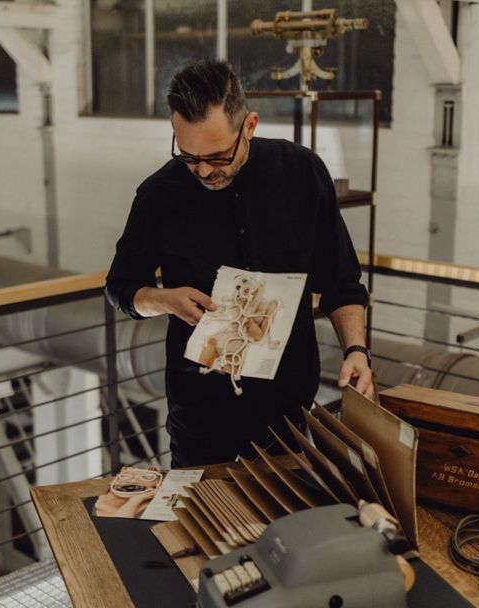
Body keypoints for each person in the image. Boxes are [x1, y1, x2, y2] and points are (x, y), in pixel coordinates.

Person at [105, 59, 373, 468]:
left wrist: (356, 349)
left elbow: (342, 281)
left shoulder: (302, 173)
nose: (203, 171)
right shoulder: (159, 194)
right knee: (201, 510)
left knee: (284, 508)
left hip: (288, 408)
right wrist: (164, 300)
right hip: (200, 411)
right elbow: (120, 288)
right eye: (188, 156)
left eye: (217, 157)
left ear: (249, 125)